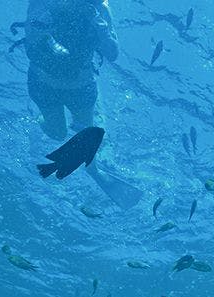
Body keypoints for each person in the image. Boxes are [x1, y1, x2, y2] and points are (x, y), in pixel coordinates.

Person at [24, 0, 140, 207]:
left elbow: (113, 54)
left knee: (88, 138)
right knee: (57, 133)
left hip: (81, 87)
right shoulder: (44, 3)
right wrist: (42, 27)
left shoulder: (100, 8)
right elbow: (30, 46)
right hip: (44, 84)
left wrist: (102, 31)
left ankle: (94, 169)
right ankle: (38, 120)